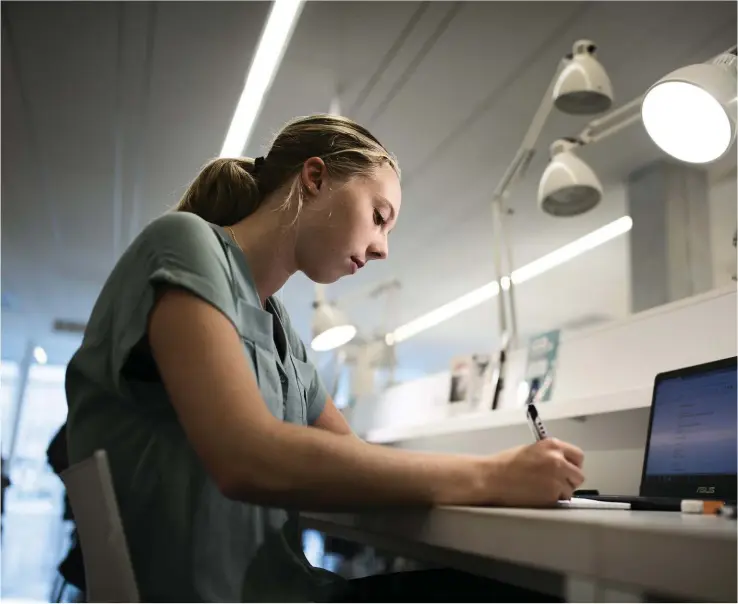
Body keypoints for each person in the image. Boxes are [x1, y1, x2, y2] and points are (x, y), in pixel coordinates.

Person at [65, 114, 585, 602]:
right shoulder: (184, 242)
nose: (382, 248)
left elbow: (354, 459)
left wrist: (499, 476)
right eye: (379, 217)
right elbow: (246, 456)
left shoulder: (282, 331)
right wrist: (493, 476)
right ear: (314, 177)